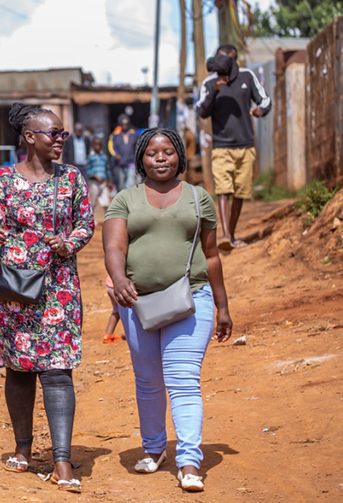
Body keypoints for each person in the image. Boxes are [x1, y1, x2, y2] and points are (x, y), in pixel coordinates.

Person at [102, 128, 233, 493]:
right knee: (147, 381)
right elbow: (113, 245)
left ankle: (189, 461)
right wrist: (118, 278)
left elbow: (210, 255)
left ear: (180, 156)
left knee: (182, 379)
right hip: (137, 302)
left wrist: (223, 306)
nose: (161, 158)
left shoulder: (198, 197)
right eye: (152, 153)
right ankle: (155, 448)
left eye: (168, 152)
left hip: (191, 299)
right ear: (141, 157)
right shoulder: (125, 199)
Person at [0, 103, 95, 494]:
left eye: (63, 134)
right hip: (13, 291)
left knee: (59, 371)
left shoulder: (72, 179)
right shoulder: (4, 180)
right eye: (54, 134)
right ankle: (23, 449)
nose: (61, 140)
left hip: (58, 288)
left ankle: (62, 460)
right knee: (19, 369)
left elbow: (86, 223)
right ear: (30, 137)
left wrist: (68, 242)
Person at [196, 44, 272, 250]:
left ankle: (233, 233)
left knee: (240, 192)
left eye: (225, 61)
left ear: (233, 60)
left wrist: (260, 110)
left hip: (246, 145)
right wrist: (216, 90)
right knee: (223, 190)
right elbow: (201, 110)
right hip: (221, 146)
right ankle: (226, 236)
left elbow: (265, 99)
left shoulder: (247, 76)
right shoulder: (210, 82)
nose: (220, 65)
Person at [86, 136, 113, 221]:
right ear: (92, 145)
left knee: (106, 202)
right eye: (96, 144)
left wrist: (109, 180)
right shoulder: (90, 156)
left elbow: (107, 169)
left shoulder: (104, 157)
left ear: (101, 146)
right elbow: (88, 170)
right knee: (92, 202)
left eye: (99, 144)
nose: (97, 146)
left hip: (103, 182)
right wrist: (95, 176)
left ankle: (108, 220)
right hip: (93, 182)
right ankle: (90, 220)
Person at [109, 115, 138, 191]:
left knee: (130, 184)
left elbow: (137, 147)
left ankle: (130, 202)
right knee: (121, 186)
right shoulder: (115, 136)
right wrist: (116, 155)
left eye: (126, 124)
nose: (125, 126)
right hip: (120, 164)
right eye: (123, 124)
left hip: (131, 163)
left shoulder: (134, 135)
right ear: (120, 125)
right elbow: (112, 147)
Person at [102, 276, 123, 344]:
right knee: (127, 310)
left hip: (110, 286)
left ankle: (108, 335)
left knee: (116, 310)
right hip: (116, 287)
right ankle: (133, 334)